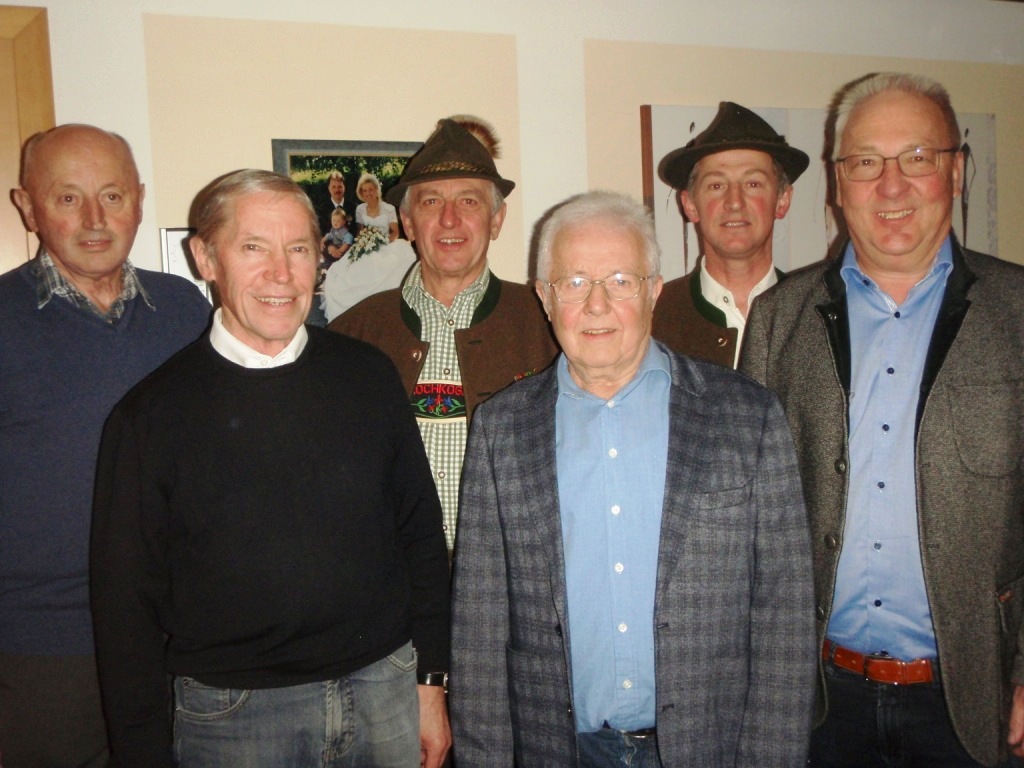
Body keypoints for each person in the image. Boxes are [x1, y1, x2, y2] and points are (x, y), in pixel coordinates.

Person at [90, 169, 451, 768]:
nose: (280, 273)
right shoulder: (149, 417)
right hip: (235, 719)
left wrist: (431, 680)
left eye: (298, 249)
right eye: (254, 247)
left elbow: (420, 534)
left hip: (384, 690)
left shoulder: (369, 376)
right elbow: (124, 609)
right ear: (206, 258)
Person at [450, 190, 815, 766]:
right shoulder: (501, 429)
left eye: (620, 281)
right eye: (574, 282)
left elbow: (784, 617)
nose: (596, 305)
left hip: (709, 747)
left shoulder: (748, 416)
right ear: (545, 297)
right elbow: (479, 625)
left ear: (654, 291)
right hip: (559, 749)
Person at [741, 72, 1024, 768]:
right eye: (866, 162)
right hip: (819, 705)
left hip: (974, 704)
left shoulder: (1018, 312)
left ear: (956, 171)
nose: (891, 186)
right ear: (839, 183)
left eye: (917, 158)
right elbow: (750, 519)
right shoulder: (778, 319)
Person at [0, 124, 210, 767]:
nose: (95, 219)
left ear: (139, 200)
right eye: (68, 198)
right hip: (47, 651)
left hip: (180, 638)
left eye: (112, 196)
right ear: (27, 207)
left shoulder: (187, 309)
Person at [329, 116, 558, 555]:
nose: (450, 219)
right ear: (408, 222)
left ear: (497, 220)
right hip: (394, 582)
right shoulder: (352, 335)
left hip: (510, 580)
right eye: (432, 201)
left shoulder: (549, 326)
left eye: (469, 201)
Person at [652, 101, 808, 367]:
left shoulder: (817, 312)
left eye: (753, 183)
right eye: (716, 185)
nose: (734, 202)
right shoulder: (653, 318)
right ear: (690, 205)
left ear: (782, 200)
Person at [355, 171, 399, 243]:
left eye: (371, 190)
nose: (368, 193)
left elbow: (395, 233)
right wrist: (364, 245)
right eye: (365, 191)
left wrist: (383, 242)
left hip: (387, 243)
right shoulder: (359, 209)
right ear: (361, 193)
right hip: (369, 245)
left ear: (376, 190)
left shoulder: (389, 209)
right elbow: (359, 232)